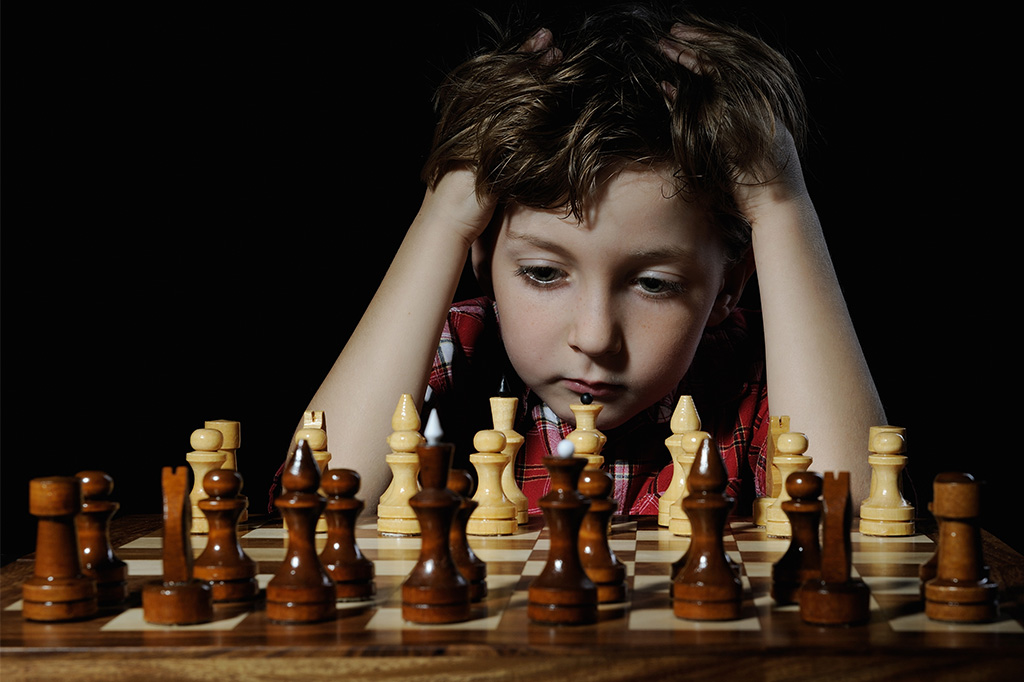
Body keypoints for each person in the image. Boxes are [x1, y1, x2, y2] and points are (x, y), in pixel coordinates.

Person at [299, 3, 885, 517]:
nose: (596, 337)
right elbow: (318, 504)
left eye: (654, 283)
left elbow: (857, 521)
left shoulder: (763, 379)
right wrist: (443, 220)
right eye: (544, 274)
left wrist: (782, 207)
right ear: (480, 256)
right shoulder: (458, 350)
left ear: (728, 285)